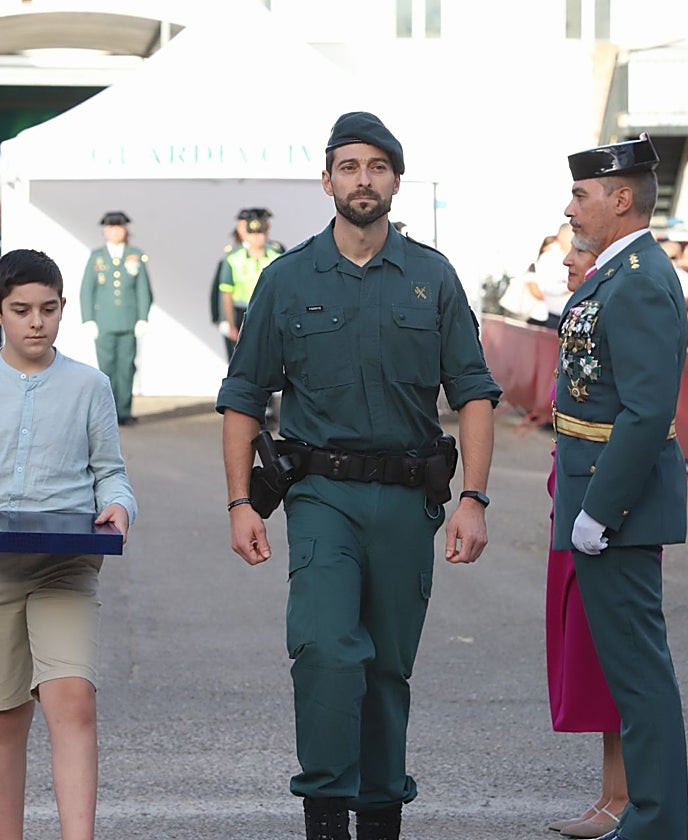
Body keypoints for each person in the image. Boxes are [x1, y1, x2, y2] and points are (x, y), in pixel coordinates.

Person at [217, 111, 501, 840]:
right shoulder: (285, 281)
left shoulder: (432, 278)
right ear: (327, 181)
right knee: (324, 650)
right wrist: (239, 503)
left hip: (409, 500)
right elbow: (243, 397)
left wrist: (474, 499)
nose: (362, 179)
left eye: (376, 167)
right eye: (349, 167)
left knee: (386, 668)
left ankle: (379, 817)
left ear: (395, 181)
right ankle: (324, 814)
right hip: (320, 496)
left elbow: (472, 392)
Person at [0, 248, 136, 840]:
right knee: (5, 715)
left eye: (47, 309)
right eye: (20, 310)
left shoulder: (91, 386)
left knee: (72, 700)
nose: (35, 321)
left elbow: (110, 474)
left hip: (65, 565)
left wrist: (120, 504)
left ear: (64, 308)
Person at [556, 133, 688, 840]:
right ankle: (649, 818)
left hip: (619, 508)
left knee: (639, 679)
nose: (571, 206)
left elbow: (646, 410)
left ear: (622, 197)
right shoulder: (618, 271)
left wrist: (599, 510)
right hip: (598, 497)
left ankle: (656, 824)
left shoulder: (636, 277)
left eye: (582, 194)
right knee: (629, 675)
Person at [545, 244, 627, 840]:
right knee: (589, 658)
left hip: (601, 507)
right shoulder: (582, 309)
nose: (569, 262)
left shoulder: (623, 296)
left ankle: (625, 797)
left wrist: (599, 509)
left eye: (578, 253)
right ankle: (610, 794)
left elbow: (641, 414)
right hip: (572, 498)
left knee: (613, 661)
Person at [79, 211, 153, 426]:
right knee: (106, 367)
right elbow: (87, 290)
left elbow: (143, 290)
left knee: (127, 366)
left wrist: (142, 317)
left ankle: (124, 410)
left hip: (128, 322)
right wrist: (88, 319)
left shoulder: (135, 255)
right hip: (104, 322)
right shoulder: (97, 256)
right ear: (104, 231)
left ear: (125, 229)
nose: (114, 231)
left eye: (119, 227)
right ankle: (106, 412)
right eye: (110, 227)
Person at [217, 208, 282, 358]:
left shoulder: (275, 254)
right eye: (253, 234)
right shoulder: (234, 257)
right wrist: (230, 322)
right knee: (240, 358)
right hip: (242, 313)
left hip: (268, 312)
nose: (257, 238)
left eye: (260, 233)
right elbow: (226, 292)